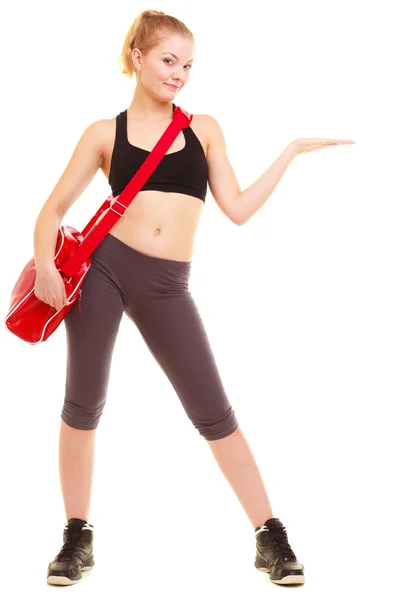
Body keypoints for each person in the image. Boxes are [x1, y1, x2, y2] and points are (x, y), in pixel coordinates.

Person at [33, 9, 354, 588]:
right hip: (103, 270)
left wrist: (290, 152)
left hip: (166, 285)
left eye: (187, 65)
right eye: (168, 60)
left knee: (214, 411)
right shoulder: (104, 134)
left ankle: (270, 536)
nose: (179, 73)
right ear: (138, 56)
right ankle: (76, 535)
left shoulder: (201, 128)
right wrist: (48, 269)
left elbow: (236, 209)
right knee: (83, 403)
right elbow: (51, 211)